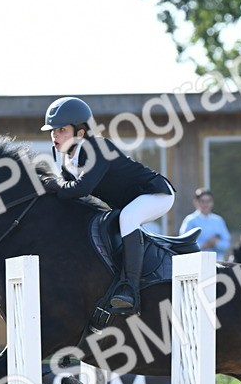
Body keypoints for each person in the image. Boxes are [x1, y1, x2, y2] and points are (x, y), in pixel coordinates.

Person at [40, 97, 174, 316]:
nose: (55, 135)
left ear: (80, 132)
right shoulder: (67, 160)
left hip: (155, 194)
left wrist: (55, 184)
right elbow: (68, 197)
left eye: (62, 130)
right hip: (130, 202)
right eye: (53, 131)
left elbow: (81, 189)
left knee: (127, 218)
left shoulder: (98, 148)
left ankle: (129, 288)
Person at [179, 188, 230, 261]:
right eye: (202, 201)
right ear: (196, 202)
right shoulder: (190, 220)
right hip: (196, 261)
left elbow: (226, 244)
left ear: (212, 202)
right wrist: (204, 245)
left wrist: (216, 243)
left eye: (208, 201)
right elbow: (183, 244)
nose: (206, 204)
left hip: (217, 262)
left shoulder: (218, 220)